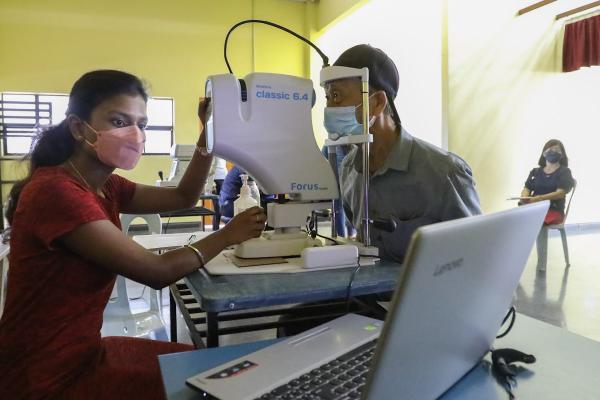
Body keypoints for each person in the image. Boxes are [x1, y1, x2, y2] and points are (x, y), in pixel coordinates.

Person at [0, 70, 266, 399]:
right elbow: (157, 272)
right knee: (209, 383)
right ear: (78, 128)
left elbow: (183, 197)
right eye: (119, 121)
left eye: (142, 124)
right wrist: (227, 235)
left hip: (84, 351)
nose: (134, 134)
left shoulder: (105, 185)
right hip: (44, 376)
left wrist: (207, 135)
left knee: (204, 366)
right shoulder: (57, 192)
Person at [325, 44, 481, 263]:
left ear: (377, 103)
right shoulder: (349, 170)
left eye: (337, 95)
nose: (329, 108)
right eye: (328, 97)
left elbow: (477, 255)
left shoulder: (445, 173)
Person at [520, 139, 575, 270]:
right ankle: (516, 259)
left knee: (538, 220)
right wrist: (525, 196)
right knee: (516, 219)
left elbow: (560, 193)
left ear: (562, 154)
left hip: (553, 211)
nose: (553, 152)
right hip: (534, 209)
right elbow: (526, 188)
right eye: (550, 149)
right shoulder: (535, 172)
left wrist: (540, 198)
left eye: (556, 150)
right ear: (544, 153)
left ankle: (541, 265)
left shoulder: (564, 172)